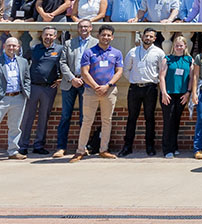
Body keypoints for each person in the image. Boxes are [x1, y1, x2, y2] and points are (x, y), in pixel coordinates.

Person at [71, 25, 123, 162]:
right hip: (90, 91)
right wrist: (96, 87)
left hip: (109, 91)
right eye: (103, 35)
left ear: (112, 37)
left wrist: (107, 86)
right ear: (98, 36)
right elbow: (84, 72)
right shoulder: (89, 52)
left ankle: (103, 150)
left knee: (107, 121)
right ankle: (80, 150)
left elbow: (119, 71)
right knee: (87, 121)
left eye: (108, 35)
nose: (106, 37)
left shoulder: (117, 53)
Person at [0, 36, 30, 165]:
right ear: (4, 47)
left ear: (18, 47)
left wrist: (26, 93)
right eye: (9, 45)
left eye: (14, 46)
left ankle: (13, 151)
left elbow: (26, 78)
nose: (11, 48)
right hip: (0, 99)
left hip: (18, 98)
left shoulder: (23, 62)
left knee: (15, 127)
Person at [120, 27, 166, 156]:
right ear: (142, 37)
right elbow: (126, 69)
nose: (148, 38)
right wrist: (134, 79)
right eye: (146, 36)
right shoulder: (133, 52)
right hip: (134, 88)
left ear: (154, 38)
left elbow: (162, 71)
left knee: (149, 118)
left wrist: (155, 81)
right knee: (132, 117)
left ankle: (150, 146)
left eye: (151, 36)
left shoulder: (159, 53)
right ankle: (127, 146)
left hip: (150, 88)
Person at [54, 18, 96, 157]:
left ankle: (83, 147)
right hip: (69, 83)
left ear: (91, 28)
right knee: (65, 116)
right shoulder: (69, 43)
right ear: (78, 29)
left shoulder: (96, 43)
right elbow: (63, 62)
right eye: (81, 26)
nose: (84, 29)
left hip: (87, 84)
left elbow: (97, 64)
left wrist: (84, 78)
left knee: (85, 117)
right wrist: (72, 78)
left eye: (86, 26)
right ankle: (61, 147)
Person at [159, 34, 192, 158]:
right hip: (168, 94)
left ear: (185, 46)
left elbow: (192, 78)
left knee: (176, 121)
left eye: (181, 45)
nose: (179, 47)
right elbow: (161, 76)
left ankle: (174, 146)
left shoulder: (189, 60)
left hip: (182, 95)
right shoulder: (167, 59)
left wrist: (188, 93)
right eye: (177, 45)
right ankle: (167, 149)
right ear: (173, 46)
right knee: (168, 121)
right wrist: (164, 93)